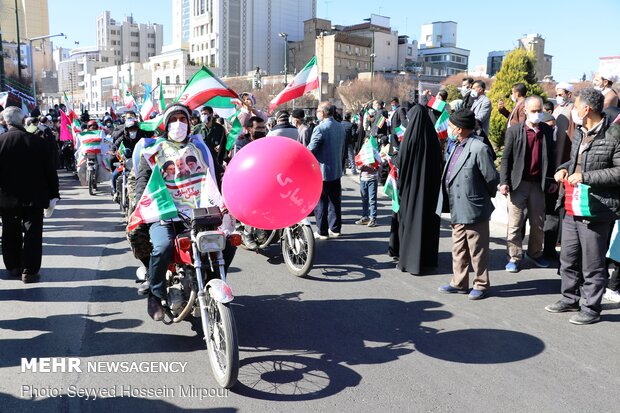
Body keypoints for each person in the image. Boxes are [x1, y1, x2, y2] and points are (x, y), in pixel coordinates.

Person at [135, 103, 236, 321]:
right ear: (166, 123)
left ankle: (214, 278)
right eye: (174, 119)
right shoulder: (153, 151)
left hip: (202, 213)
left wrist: (228, 198)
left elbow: (217, 175)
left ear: (190, 124)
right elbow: (142, 183)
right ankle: (155, 293)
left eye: (183, 119)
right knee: (162, 247)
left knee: (227, 242)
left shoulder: (201, 147)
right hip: (166, 214)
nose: (178, 124)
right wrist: (141, 206)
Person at [545, 88, 620, 325]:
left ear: (586, 109)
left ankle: (591, 308)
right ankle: (569, 298)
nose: (574, 110)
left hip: (597, 208)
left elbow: (618, 171)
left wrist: (586, 176)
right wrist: (564, 168)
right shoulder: (580, 131)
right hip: (571, 205)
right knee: (568, 257)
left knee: (593, 262)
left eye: (576, 106)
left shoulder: (615, 134)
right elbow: (576, 160)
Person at [437, 109, 499, 299]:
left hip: (474, 206)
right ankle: (459, 282)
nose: (449, 129)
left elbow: (491, 178)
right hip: (457, 205)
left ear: (461, 128)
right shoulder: (456, 144)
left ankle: (480, 284)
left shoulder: (479, 148)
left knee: (477, 249)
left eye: (451, 126)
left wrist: (479, 198)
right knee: (458, 247)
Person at [0, 107, 59, 283]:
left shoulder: (1, 141)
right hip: (34, 197)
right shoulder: (37, 142)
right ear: (23, 119)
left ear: (5, 121)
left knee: (10, 231)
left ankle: (13, 266)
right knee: (32, 233)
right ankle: (30, 271)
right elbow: (50, 171)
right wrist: (53, 195)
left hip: (6, 199)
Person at [500, 96, 555, 272]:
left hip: (538, 185)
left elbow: (551, 157)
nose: (537, 114)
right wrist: (504, 182)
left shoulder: (546, 130)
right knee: (515, 224)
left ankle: (535, 254)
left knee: (538, 224)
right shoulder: (514, 131)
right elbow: (506, 158)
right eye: (534, 111)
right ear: (525, 111)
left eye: (540, 111)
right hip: (518, 184)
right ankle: (514, 257)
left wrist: (551, 179)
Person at [392, 104, 442, 274]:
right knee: (428, 224)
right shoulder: (433, 139)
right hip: (430, 192)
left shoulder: (409, 139)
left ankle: (409, 261)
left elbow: (401, 163)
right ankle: (427, 259)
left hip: (411, 191)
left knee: (411, 222)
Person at [308, 102, 346, 240]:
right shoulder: (340, 127)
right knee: (335, 201)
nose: (317, 112)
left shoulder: (320, 128)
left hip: (322, 172)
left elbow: (311, 149)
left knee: (321, 203)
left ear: (323, 113)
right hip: (336, 170)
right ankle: (335, 228)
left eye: (318, 110)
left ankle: (322, 231)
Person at [355, 135, 379, 227]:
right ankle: (365, 217)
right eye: (365, 142)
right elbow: (358, 166)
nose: (367, 143)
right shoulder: (362, 152)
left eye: (369, 142)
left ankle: (373, 218)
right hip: (363, 179)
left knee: (372, 199)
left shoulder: (375, 152)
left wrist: (373, 165)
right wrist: (361, 165)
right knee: (364, 199)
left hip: (372, 179)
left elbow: (378, 166)